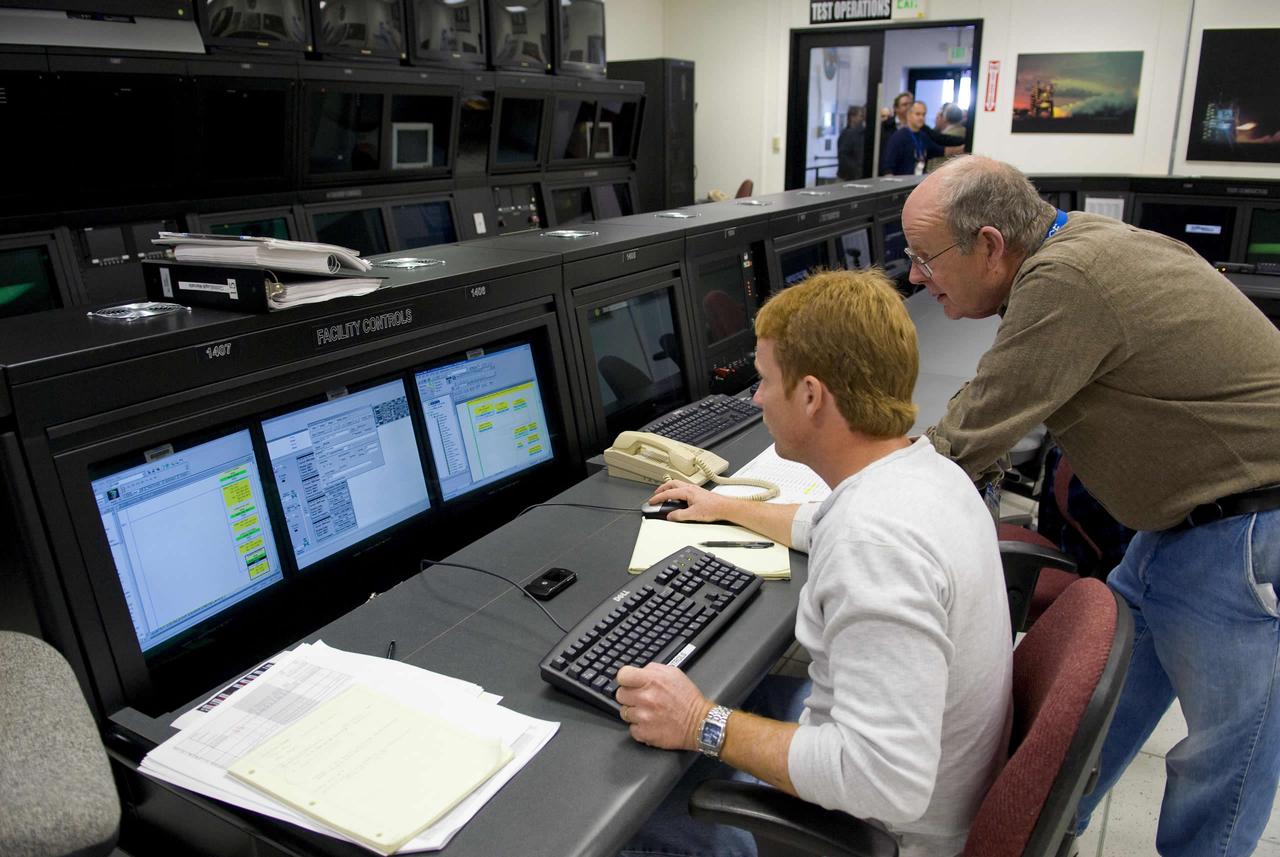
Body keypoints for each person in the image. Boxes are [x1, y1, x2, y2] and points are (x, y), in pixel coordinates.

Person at [900, 155, 1280, 857]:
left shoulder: (1066, 279)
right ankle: (1039, 834)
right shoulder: (1080, 247)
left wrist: (840, 491)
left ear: (989, 244)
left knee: (1223, 764)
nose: (915, 276)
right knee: (1089, 726)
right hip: (1176, 522)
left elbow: (971, 433)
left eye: (925, 258)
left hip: (1241, 528)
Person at [615, 269, 1013, 857]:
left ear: (809, 395)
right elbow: (822, 523)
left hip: (878, 832)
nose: (754, 399)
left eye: (762, 381)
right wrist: (721, 504)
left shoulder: (872, 545)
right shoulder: (925, 473)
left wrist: (700, 721)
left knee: (617, 811)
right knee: (742, 695)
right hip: (929, 771)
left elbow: (883, 781)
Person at [883, 101, 963, 176]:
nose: (921, 117)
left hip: (917, 183)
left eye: (923, 114)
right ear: (909, 115)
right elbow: (887, 168)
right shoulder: (898, 137)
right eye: (917, 114)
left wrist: (966, 146)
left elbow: (942, 150)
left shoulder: (923, 136)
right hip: (901, 184)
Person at [878, 90, 914, 168]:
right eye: (905, 104)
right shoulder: (885, 126)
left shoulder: (916, 127)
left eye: (910, 104)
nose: (908, 107)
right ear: (896, 108)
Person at [836, 105, 866, 180]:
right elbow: (843, 156)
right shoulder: (846, 134)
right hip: (848, 177)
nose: (862, 119)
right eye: (860, 116)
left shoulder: (861, 134)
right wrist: (857, 171)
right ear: (852, 117)